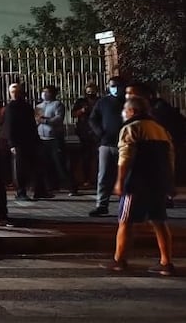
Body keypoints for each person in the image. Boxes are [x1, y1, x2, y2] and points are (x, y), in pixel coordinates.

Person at [104, 95, 176, 275]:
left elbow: (125, 157)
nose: (123, 113)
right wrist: (169, 182)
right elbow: (170, 159)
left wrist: (120, 182)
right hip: (158, 183)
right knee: (159, 221)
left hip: (136, 183)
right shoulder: (160, 129)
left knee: (125, 221)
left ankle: (119, 260)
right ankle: (166, 262)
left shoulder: (131, 128)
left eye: (125, 110)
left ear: (132, 111)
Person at [88, 76, 126, 216]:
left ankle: (126, 205)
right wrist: (100, 133)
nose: (114, 88)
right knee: (103, 175)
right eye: (112, 86)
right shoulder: (103, 102)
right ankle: (102, 204)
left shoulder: (128, 102)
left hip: (125, 145)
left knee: (125, 176)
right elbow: (93, 119)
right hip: (106, 144)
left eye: (117, 86)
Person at [35, 85, 76, 197]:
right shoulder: (39, 106)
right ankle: (50, 187)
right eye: (44, 92)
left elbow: (58, 119)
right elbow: (36, 119)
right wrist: (39, 121)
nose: (45, 94)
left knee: (60, 163)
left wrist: (44, 121)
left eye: (47, 92)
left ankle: (71, 187)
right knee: (45, 164)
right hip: (42, 139)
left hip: (55, 139)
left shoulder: (57, 105)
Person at [1, 83, 40, 201]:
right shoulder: (10, 108)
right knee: (19, 168)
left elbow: (32, 124)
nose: (15, 94)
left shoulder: (26, 106)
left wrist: (36, 139)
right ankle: (21, 191)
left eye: (17, 91)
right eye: (13, 92)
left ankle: (37, 190)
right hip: (17, 142)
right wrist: (12, 144)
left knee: (32, 166)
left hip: (29, 140)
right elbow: (9, 126)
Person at [70, 82, 100, 189]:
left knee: (97, 156)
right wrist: (82, 110)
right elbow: (73, 114)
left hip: (97, 131)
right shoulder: (81, 101)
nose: (91, 92)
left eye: (93, 90)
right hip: (84, 131)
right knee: (86, 156)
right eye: (89, 90)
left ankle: (97, 178)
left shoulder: (100, 101)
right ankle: (86, 179)